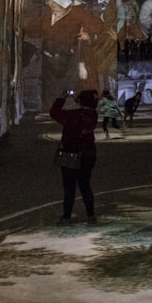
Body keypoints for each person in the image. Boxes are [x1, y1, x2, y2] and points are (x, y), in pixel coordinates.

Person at [25, 0, 104, 110]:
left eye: (56, 5)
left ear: (65, 4)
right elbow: (31, 29)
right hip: (51, 58)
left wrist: (87, 35)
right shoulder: (48, 14)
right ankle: (51, 110)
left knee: (74, 84)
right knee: (51, 87)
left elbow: (99, 27)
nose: (54, 8)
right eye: (52, 5)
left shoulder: (78, 13)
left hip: (72, 57)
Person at [49, 90, 99, 224]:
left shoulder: (73, 115)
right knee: (85, 185)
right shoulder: (93, 115)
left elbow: (54, 112)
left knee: (69, 187)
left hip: (71, 154)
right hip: (88, 154)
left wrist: (62, 98)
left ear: (81, 101)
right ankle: (91, 215)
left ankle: (67, 217)